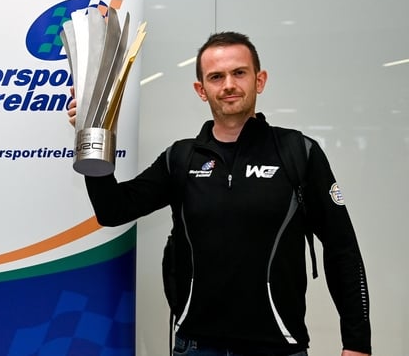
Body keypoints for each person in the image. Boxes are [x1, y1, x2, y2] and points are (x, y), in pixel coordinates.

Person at [67, 31, 371, 356]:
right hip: (195, 346)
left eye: (239, 73)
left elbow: (343, 250)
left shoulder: (298, 152)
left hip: (278, 347)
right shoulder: (181, 158)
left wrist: (356, 343)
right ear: (201, 90)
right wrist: (90, 138)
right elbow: (113, 210)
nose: (228, 84)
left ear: (260, 80)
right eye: (216, 76)